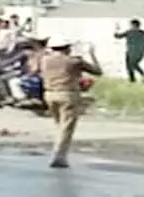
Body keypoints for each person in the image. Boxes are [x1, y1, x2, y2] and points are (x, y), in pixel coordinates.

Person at [42, 38, 103, 169]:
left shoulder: (45, 60)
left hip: (49, 94)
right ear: (67, 48)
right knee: (66, 127)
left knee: (60, 125)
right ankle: (59, 156)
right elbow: (98, 71)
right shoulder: (74, 61)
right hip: (68, 94)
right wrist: (91, 54)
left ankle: (58, 151)